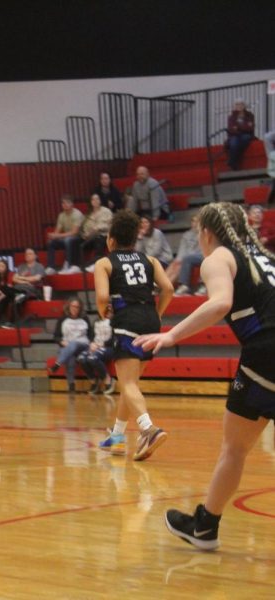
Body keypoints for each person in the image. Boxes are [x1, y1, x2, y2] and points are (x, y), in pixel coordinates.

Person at [135, 203, 275, 551]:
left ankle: (205, 527)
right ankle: (204, 525)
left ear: (207, 234)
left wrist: (170, 336)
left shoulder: (218, 258)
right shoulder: (266, 258)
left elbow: (220, 303)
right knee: (236, 446)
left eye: (198, 234)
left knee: (235, 448)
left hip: (266, 354)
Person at [94, 209, 174, 461]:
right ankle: (117, 436)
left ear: (111, 239)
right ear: (134, 239)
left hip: (126, 320)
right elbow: (168, 288)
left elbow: (103, 297)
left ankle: (148, 429)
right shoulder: (150, 260)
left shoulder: (104, 263)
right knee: (131, 385)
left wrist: (102, 312)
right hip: (150, 321)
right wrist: (158, 314)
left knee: (127, 384)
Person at [47, 297, 92, 392]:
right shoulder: (62, 319)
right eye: (73, 306)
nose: (75, 309)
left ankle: (57, 364)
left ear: (80, 308)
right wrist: (61, 341)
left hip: (83, 345)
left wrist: (92, 344)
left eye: (77, 307)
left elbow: (91, 334)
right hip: (67, 346)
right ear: (69, 307)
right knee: (70, 358)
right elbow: (56, 336)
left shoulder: (84, 318)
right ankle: (71, 384)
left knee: (74, 343)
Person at [75, 316, 115, 395]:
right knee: (81, 358)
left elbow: (115, 338)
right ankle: (94, 381)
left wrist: (101, 345)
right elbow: (91, 336)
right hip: (95, 346)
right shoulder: (96, 322)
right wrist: (92, 343)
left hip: (109, 347)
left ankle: (108, 380)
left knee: (92, 358)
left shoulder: (115, 321)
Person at [45, 195, 84, 274]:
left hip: (79, 238)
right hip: (67, 237)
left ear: (72, 204)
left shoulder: (77, 214)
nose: (65, 205)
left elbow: (74, 232)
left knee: (68, 240)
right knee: (51, 242)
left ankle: (68, 265)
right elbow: (58, 231)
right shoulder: (61, 215)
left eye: (67, 203)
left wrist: (57, 236)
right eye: (63, 203)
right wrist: (53, 236)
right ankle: (51, 267)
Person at [170, 215, 205, 296]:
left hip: (202, 255)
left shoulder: (204, 233)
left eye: (197, 221)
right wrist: (178, 259)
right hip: (189, 256)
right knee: (174, 264)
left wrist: (184, 258)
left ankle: (184, 285)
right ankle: (162, 286)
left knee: (186, 259)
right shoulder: (186, 234)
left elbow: (202, 250)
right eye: (193, 221)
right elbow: (182, 248)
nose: (195, 224)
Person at [80, 193, 113, 271]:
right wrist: (86, 234)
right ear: (90, 202)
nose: (95, 201)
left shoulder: (106, 211)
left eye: (97, 199)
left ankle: (92, 264)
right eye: (93, 199)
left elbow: (110, 225)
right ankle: (76, 265)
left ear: (100, 201)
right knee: (76, 241)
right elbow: (85, 229)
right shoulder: (88, 214)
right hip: (90, 237)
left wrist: (97, 228)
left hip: (103, 235)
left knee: (99, 239)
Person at [225, 98, 255, 171]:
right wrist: (243, 127)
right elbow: (231, 129)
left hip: (246, 135)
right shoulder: (231, 117)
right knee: (234, 142)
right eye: (237, 104)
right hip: (234, 135)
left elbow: (250, 128)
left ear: (244, 105)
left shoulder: (250, 115)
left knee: (245, 138)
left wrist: (238, 127)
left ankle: (232, 161)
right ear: (234, 106)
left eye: (241, 104)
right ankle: (234, 163)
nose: (239, 106)